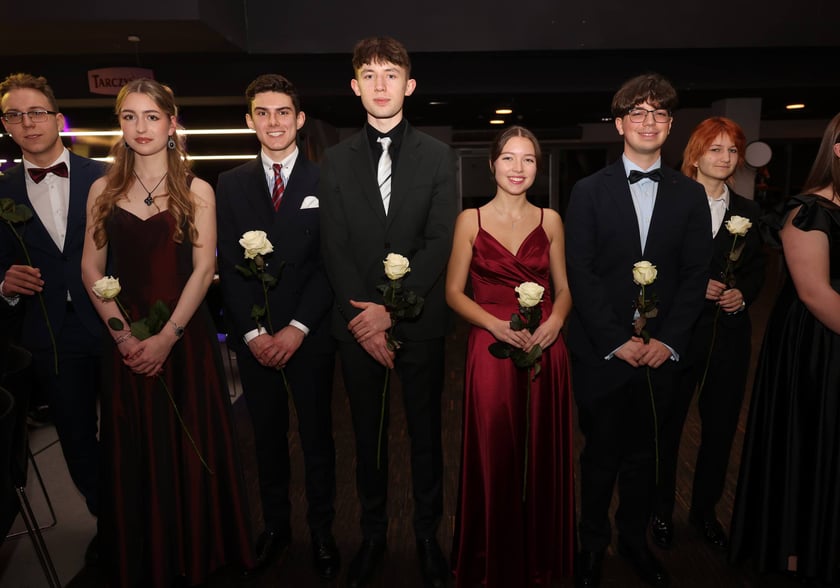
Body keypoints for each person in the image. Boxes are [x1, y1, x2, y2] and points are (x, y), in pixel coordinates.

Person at [80, 78, 254, 587]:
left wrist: (166, 337)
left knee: (188, 444)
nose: (141, 127)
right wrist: (124, 337)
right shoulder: (102, 190)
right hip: (126, 339)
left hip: (184, 340)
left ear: (172, 122)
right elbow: (91, 269)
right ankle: (142, 556)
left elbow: (204, 271)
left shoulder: (197, 190)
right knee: (133, 448)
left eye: (152, 116)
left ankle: (195, 552)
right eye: (129, 117)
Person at [318, 36, 457, 588]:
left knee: (426, 435)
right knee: (367, 438)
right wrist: (366, 318)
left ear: (409, 85)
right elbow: (334, 245)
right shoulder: (333, 159)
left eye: (391, 75)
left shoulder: (438, 156)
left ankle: (427, 536)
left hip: (418, 321)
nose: (381, 85)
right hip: (356, 325)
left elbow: (441, 241)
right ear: (355, 87)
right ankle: (372, 536)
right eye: (370, 76)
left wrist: (392, 312)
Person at [564, 72, 712, 588]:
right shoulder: (587, 191)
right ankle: (591, 545)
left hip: (661, 355)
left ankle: (633, 541)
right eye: (638, 112)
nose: (649, 121)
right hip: (602, 352)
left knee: (647, 455)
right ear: (620, 123)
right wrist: (615, 340)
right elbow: (580, 271)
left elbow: (696, 274)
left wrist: (667, 341)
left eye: (659, 113)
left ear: (670, 125)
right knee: (600, 454)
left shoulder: (691, 195)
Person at [215, 73, 339, 580]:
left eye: (283, 112)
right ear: (250, 121)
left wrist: (297, 328)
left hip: (310, 334)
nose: (273, 122)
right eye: (263, 113)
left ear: (299, 119)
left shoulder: (325, 181)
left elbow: (330, 265)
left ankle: (323, 531)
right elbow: (228, 265)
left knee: (317, 438)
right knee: (265, 439)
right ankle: (275, 528)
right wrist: (254, 334)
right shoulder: (230, 183)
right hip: (256, 339)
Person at [446, 125, 575, 587]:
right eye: (509, 158)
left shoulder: (551, 220)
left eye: (529, 160)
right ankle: (491, 560)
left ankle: (542, 560)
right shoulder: (470, 220)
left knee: (543, 453)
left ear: (539, 167)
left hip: (545, 345)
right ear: (492, 164)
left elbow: (564, 289)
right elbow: (452, 293)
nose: (518, 168)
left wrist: (555, 322)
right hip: (490, 347)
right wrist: (493, 324)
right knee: (494, 452)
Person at [729, 112, 840, 586]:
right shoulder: (809, 210)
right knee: (812, 442)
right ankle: (797, 550)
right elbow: (815, 293)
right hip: (818, 346)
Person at [0, 73, 104, 563]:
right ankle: (109, 522)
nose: (28, 122)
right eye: (15, 115)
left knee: (133, 430)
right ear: (6, 125)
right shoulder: (1, 191)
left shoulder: (105, 176)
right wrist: (3, 284)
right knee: (77, 438)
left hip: (113, 325)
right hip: (48, 334)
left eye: (37, 112)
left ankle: (147, 518)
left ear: (58, 119)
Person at [651, 117, 765, 551]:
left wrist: (743, 294)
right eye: (715, 149)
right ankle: (661, 511)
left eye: (732, 150)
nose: (725, 157)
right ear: (695, 155)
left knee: (720, 430)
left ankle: (704, 512)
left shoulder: (749, 212)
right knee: (667, 427)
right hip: (678, 334)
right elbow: (650, 265)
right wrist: (692, 285)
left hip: (729, 335)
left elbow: (758, 269)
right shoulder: (670, 204)